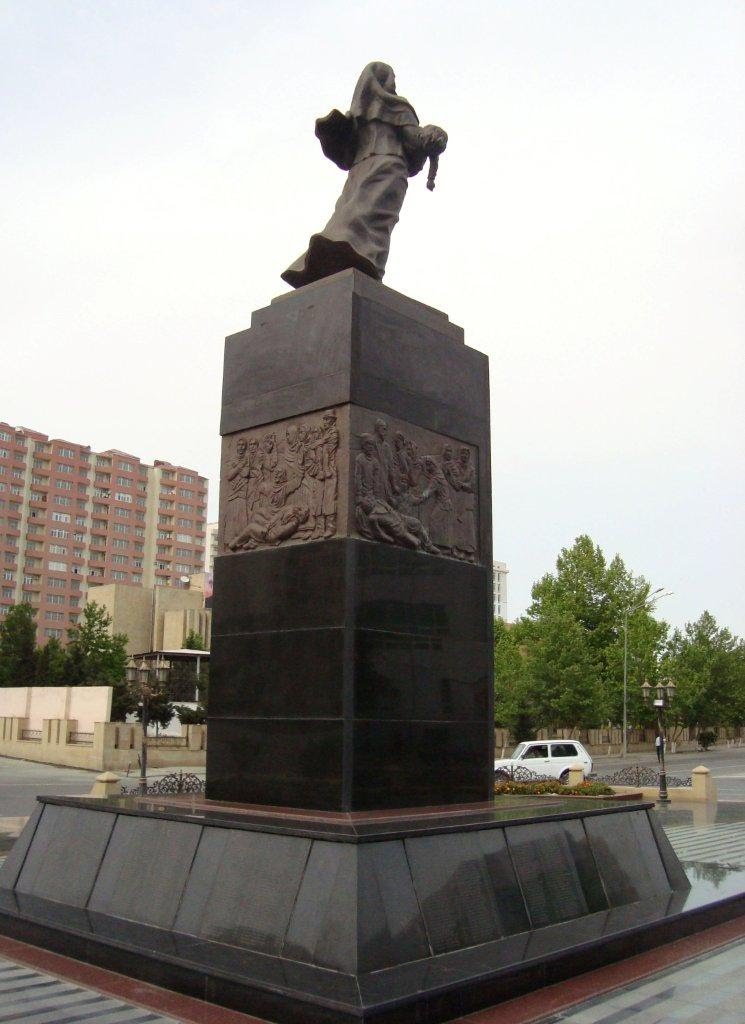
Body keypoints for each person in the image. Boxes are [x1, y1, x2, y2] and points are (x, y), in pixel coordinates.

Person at [282, 62, 447, 288]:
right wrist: (433, 137)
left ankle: (337, 251)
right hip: (389, 166)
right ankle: (361, 258)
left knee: (352, 211)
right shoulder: (399, 108)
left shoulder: (359, 118)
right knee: (376, 218)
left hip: (360, 169)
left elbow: (344, 151)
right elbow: (413, 140)